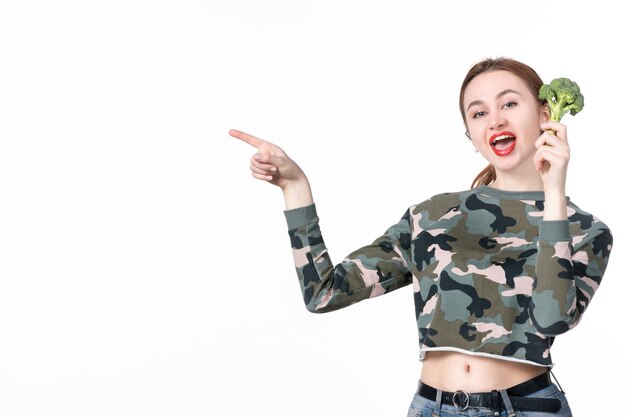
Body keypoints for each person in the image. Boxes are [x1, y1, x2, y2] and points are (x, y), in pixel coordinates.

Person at [230, 57, 612, 417]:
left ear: (545, 114)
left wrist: (555, 193)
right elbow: (323, 294)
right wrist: (296, 188)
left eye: (509, 104)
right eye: (479, 113)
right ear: (471, 134)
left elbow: (551, 321)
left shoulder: (586, 230)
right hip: (432, 406)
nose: (494, 120)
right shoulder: (432, 216)